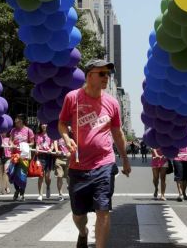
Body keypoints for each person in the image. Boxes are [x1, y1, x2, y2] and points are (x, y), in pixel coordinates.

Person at [58, 59, 130, 248]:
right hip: (78, 166)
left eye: (108, 74)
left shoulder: (112, 103)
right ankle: (83, 232)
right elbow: (62, 123)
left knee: (103, 210)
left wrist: (125, 159)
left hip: (104, 164)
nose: (106, 77)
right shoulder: (72, 98)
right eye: (102, 74)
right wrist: (67, 139)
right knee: (78, 215)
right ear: (89, 76)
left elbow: (117, 132)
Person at [8, 114, 34, 201]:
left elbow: (32, 143)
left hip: (24, 156)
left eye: (17, 120)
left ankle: (22, 193)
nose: (15, 122)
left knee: (22, 175)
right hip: (14, 155)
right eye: (15, 120)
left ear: (21, 121)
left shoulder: (28, 130)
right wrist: (11, 144)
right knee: (13, 173)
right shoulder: (13, 130)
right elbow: (10, 140)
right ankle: (17, 190)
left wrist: (24, 145)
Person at [172, 131, 187, 202]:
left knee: (186, 177)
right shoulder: (175, 130)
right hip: (177, 157)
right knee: (179, 176)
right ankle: (180, 193)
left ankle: (184, 192)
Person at [35, 124, 54, 201]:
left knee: (47, 176)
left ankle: (48, 187)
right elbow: (37, 145)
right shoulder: (38, 135)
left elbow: (52, 145)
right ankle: (40, 194)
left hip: (48, 156)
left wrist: (51, 149)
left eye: (45, 124)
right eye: (42, 124)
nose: (44, 125)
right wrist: (36, 149)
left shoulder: (51, 134)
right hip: (40, 156)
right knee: (40, 176)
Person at [53, 133, 71, 201]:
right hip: (59, 158)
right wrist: (57, 150)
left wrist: (70, 152)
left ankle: (70, 190)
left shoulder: (71, 135)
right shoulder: (58, 136)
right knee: (59, 176)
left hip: (68, 159)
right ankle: (60, 194)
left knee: (68, 177)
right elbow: (55, 141)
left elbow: (75, 145)